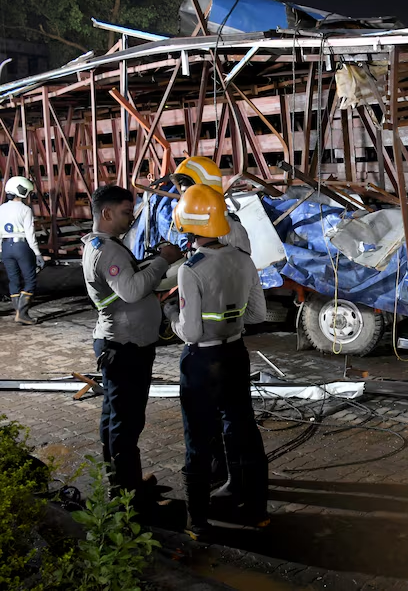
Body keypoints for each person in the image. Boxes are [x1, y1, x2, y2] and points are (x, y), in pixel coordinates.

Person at [164, 184, 268, 535]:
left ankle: (199, 521)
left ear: (188, 225)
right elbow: (257, 315)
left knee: (197, 438)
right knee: (242, 429)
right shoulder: (243, 259)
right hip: (236, 355)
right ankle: (255, 508)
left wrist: (170, 316)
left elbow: (191, 332)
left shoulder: (190, 270)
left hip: (202, 361)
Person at [81, 185, 182, 503]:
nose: (131, 218)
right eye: (126, 212)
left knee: (115, 418)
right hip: (125, 347)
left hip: (119, 343)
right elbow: (129, 290)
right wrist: (163, 261)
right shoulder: (108, 250)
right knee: (125, 421)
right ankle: (128, 496)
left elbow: (123, 281)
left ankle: (123, 482)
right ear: (107, 213)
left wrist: (146, 265)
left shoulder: (102, 244)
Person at [173, 156, 251, 254]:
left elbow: (241, 265)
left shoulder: (231, 229)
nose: (185, 198)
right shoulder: (193, 225)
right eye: (184, 193)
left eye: (189, 192)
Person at [0, 176, 44, 324]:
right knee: (30, 280)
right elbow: (30, 234)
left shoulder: (1, 209)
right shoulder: (25, 210)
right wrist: (37, 253)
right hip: (21, 247)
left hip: (6, 247)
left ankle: (18, 313)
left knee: (14, 280)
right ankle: (22, 314)